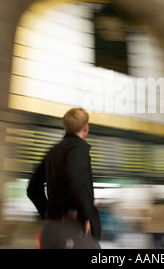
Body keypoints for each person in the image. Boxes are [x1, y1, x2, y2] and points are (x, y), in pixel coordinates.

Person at [27, 107, 101, 249]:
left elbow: (32, 188)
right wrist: (85, 215)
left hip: (50, 231)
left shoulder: (54, 151)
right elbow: (76, 180)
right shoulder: (79, 148)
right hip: (73, 230)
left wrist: (50, 214)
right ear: (85, 127)